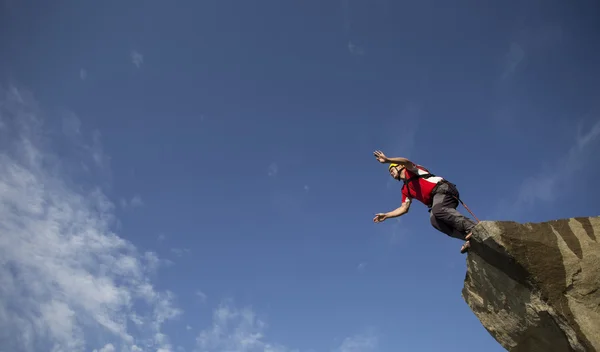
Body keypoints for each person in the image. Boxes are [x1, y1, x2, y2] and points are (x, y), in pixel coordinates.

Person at [372, 150, 477, 253]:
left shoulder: (412, 170)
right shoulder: (405, 190)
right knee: (435, 221)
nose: (391, 173)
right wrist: (386, 215)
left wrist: (388, 160)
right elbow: (404, 208)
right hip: (435, 201)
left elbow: (406, 161)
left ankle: (473, 228)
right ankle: (470, 238)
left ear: (400, 166)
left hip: (443, 190)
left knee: (438, 210)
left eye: (392, 170)